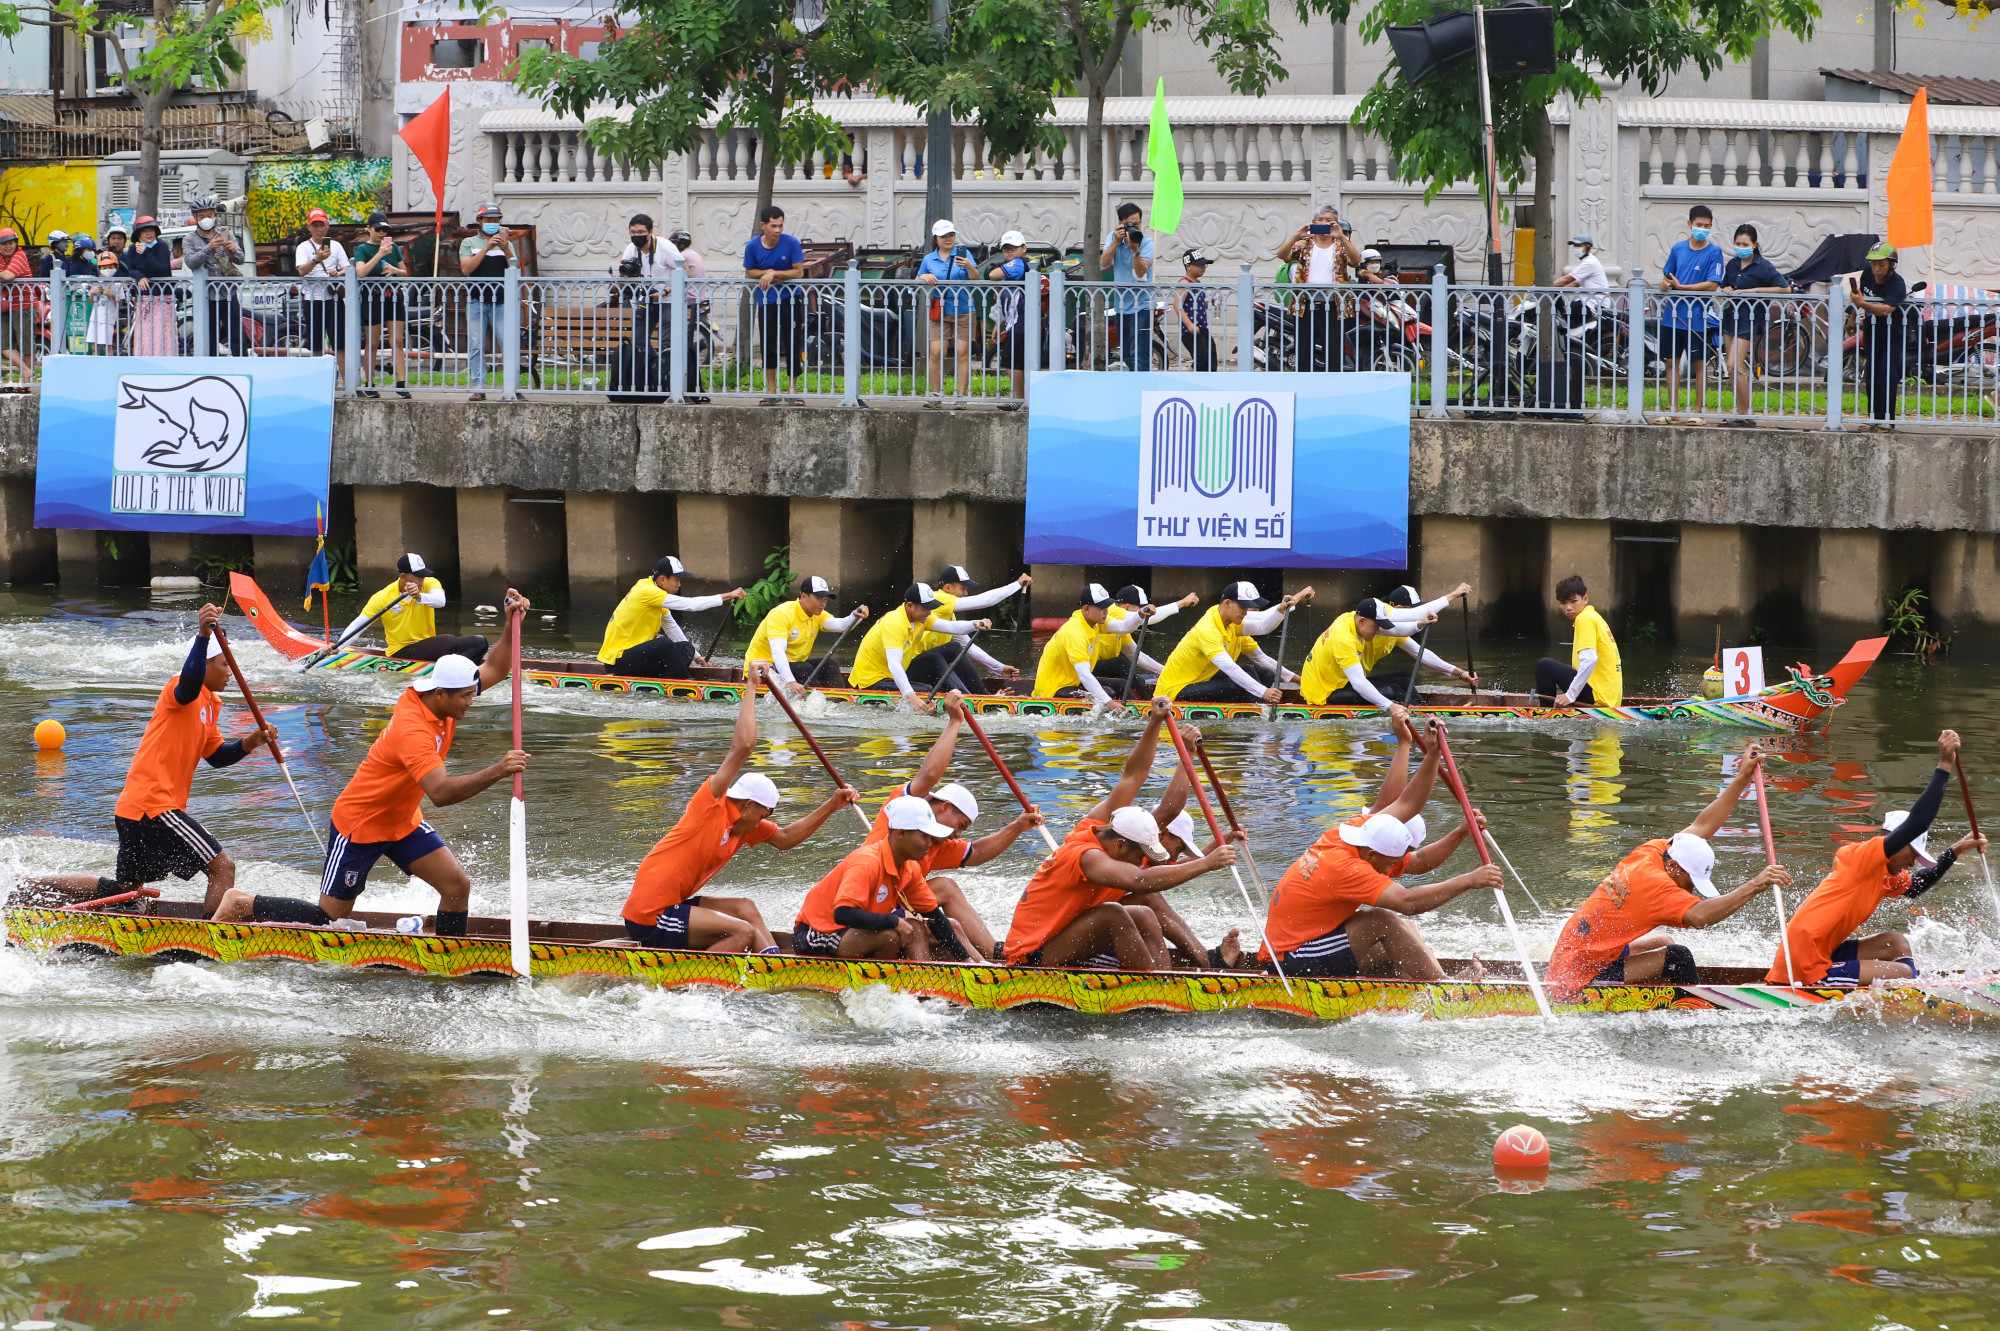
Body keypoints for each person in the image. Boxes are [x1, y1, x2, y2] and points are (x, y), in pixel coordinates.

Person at [211, 590, 531, 933]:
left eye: (472, 693)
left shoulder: (446, 696)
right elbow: (440, 792)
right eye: (467, 696)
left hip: (402, 820)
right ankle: (241, 902)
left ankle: (451, 954)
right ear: (441, 694)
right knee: (329, 921)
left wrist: (514, 622)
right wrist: (499, 769)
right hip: (360, 825)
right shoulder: (414, 730)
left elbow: (497, 666)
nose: (472, 700)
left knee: (456, 886)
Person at [18, 605, 275, 914]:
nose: (231, 671)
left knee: (128, 893)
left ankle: (35, 887)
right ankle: (212, 940)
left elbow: (217, 756)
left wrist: (250, 742)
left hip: (136, 808)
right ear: (205, 665)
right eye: (225, 664)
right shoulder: (180, 688)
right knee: (223, 868)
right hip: (154, 806)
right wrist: (204, 634)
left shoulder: (211, 703)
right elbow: (190, 682)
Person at [621, 669, 858, 952]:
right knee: (742, 932)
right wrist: (751, 686)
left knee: (745, 908)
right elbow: (742, 747)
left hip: (675, 905)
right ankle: (696, 986)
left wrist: (832, 805)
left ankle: (775, 963)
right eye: (766, 813)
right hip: (651, 915)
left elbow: (785, 839)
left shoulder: (744, 827)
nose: (766, 820)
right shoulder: (709, 807)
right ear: (749, 805)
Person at [1000, 700, 1238, 969]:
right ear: (1122, 844)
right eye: (1141, 856)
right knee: (1114, 912)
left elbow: (1133, 776)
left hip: (1069, 931)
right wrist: (1207, 863)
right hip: (1032, 955)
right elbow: (1139, 878)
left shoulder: (1109, 827)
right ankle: (1153, 986)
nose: (1143, 861)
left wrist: (1155, 723)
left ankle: (1171, 976)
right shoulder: (1088, 856)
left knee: (1145, 907)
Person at [1542, 743, 1793, 998]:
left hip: (1573, 956)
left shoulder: (1653, 851)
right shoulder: (1657, 888)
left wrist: (1742, 777)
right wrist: (1756, 885)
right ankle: (1695, 1009)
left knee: (1663, 943)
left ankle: (1644, 1001)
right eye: (1690, 880)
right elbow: (1701, 917)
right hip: (1578, 978)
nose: (1690, 888)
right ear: (1674, 866)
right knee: (1678, 957)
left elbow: (1702, 826)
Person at [1261, 723, 1501, 980]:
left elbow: (1407, 809)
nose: (1392, 869)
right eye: (1390, 864)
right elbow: (1409, 902)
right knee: (1382, 920)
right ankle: (1446, 990)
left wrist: (1433, 755)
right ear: (1373, 856)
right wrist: (1469, 880)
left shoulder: (1356, 832)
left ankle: (1424, 982)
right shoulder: (1347, 867)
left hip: (1316, 939)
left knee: (1402, 931)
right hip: (1291, 957)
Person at [818, 697, 1045, 960]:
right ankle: (966, 970)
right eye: (960, 825)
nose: (959, 834)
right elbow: (928, 775)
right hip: (861, 909)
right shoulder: (906, 810)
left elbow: (977, 853)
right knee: (944, 925)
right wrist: (954, 721)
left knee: (945, 888)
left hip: (894, 904)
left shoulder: (937, 842)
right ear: (944, 807)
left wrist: (1017, 827)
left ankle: (993, 953)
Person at [1770, 729, 1984, 987]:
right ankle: (1907, 988)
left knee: (1894, 942)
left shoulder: (1885, 874)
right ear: (1898, 842)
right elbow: (1917, 823)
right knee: (1902, 973)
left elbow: (1917, 886)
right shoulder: (1861, 856)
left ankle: (1909, 989)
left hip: (1822, 952)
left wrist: (1955, 851)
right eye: (1913, 854)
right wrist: (1944, 764)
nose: (1912, 862)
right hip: (1802, 968)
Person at [793, 795, 970, 959]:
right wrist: (893, 921)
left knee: (915, 927)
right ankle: (882, 985)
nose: (930, 843)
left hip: (854, 932)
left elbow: (936, 918)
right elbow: (843, 914)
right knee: (891, 935)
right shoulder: (867, 862)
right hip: (817, 932)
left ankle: (924, 987)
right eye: (924, 836)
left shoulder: (910, 867)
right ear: (901, 833)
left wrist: (966, 960)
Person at [1299, 588, 1477, 708]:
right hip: (1324, 692)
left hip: (1342, 681)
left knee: (1405, 679)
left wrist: (1460, 673)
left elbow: (1418, 650)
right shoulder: (1343, 639)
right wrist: (1391, 708)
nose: (1380, 630)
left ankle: (1425, 711)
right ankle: (1423, 715)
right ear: (1362, 621)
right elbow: (1359, 683)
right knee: (1394, 691)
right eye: (1377, 626)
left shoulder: (1369, 618)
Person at [1153, 581, 1306, 705]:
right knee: (1233, 685)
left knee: (1265, 673)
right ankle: (1257, 711)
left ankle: (1255, 708)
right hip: (1174, 692)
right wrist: (1263, 692)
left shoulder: (1233, 622)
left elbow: (1262, 627)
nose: (1246, 612)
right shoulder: (1208, 630)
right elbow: (1230, 668)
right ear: (1227, 603)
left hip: (1203, 679)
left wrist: (1280, 610)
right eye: (1242, 607)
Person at [597, 555, 748, 679]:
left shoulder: (654, 591)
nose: (679, 585)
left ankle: (670, 684)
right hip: (618, 662)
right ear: (662, 579)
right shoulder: (647, 591)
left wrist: (697, 656)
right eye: (677, 580)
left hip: (635, 659)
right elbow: (692, 605)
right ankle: (687, 685)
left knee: (686, 647)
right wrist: (728, 595)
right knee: (664, 644)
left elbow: (671, 627)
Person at [846, 583, 989, 711]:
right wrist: (912, 697)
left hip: (896, 673)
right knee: (927, 689)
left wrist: (974, 624)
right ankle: (968, 702)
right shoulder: (894, 623)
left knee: (952, 648)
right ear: (909, 605)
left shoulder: (922, 617)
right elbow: (894, 664)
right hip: (872, 681)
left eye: (931, 608)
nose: (928, 612)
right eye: (925, 608)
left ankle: (982, 696)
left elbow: (949, 626)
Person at [344, 553, 489, 663]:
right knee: (449, 641)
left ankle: (463, 671)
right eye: (418, 577)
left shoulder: (429, 583)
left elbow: (440, 601)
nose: (421, 581)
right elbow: (358, 626)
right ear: (403, 576)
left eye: (423, 576)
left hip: (427, 646)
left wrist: (420, 597)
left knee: (479, 642)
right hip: (400, 651)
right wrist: (338, 648)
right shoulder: (382, 597)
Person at [745, 574, 871, 697]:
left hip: (793, 666)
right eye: (819, 598)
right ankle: (816, 703)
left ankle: (839, 700)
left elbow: (841, 626)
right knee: (804, 668)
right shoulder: (781, 614)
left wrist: (855, 616)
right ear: (804, 596)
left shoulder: (818, 615)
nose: (823, 604)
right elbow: (778, 652)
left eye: (825, 599)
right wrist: (791, 682)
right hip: (762, 668)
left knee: (831, 664)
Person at [1656, 204, 1725, 425]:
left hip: (1698, 318)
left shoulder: (1714, 252)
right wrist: (1666, 285)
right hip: (1672, 316)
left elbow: (1712, 285)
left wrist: (1682, 287)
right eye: (1698, 225)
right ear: (1689, 225)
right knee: (1671, 363)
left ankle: (1698, 411)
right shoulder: (1678, 249)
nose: (1702, 229)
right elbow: (1668, 276)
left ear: (1711, 227)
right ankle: (1673, 410)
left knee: (1699, 364)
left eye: (1706, 226)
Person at [1717, 224, 1789, 426]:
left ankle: (1746, 414)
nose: (1741, 247)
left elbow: (1784, 288)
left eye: (1745, 244)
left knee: (1734, 365)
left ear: (1754, 245)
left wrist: (1756, 290)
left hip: (1749, 318)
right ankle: (1739, 412)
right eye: (1738, 243)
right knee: (1731, 369)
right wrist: (1727, 288)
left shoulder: (1763, 266)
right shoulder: (1732, 264)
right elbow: (1724, 284)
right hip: (1731, 315)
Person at [1277, 205, 1364, 371]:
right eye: (1320, 220)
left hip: (1333, 306)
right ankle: (1306, 387)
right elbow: (1282, 255)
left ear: (1336, 224)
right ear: (1314, 223)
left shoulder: (1340, 245)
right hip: (1305, 305)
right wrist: (1297, 235)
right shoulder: (1304, 244)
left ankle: (1331, 388)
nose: (1324, 223)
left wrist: (1342, 237)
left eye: (1329, 220)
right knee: (1304, 352)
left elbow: (1355, 261)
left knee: (1333, 352)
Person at [925, 565, 1029, 694]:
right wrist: (1017, 585)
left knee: (954, 651)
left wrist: (1000, 668)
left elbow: (969, 647)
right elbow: (984, 600)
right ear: (947, 588)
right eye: (962, 589)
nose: (966, 593)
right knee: (952, 649)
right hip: (922, 666)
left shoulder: (948, 615)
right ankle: (984, 698)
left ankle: (981, 696)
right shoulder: (938, 599)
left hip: (933, 666)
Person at [743, 204, 807, 403]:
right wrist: (767, 273)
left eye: (780, 226)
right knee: (768, 343)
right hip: (766, 299)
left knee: (793, 342)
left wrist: (774, 273)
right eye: (773, 226)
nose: (778, 230)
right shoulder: (753, 246)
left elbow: (798, 271)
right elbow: (749, 272)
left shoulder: (791, 243)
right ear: (763, 225)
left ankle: (793, 389)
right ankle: (771, 389)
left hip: (791, 298)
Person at [458, 202, 516, 401]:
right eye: (488, 220)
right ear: (480, 221)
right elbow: (466, 269)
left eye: (496, 220)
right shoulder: (469, 243)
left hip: (501, 301)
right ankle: (479, 387)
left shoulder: (506, 242)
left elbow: (516, 270)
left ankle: (511, 387)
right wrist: (487, 248)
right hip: (477, 300)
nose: (492, 223)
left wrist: (505, 248)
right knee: (476, 344)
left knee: (506, 343)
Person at [1093, 585, 1199, 695]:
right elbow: (1148, 619)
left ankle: (1146, 701)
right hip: (1087, 668)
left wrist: (1167, 671)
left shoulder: (1122, 628)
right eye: (1143, 609)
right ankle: (1147, 705)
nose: (1145, 612)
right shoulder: (1113, 610)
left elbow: (1137, 656)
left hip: (1099, 670)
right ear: (1127, 607)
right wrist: (1182, 603)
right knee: (1120, 663)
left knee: (1138, 679)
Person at [917, 218, 979, 405]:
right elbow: (917, 277)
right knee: (936, 352)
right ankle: (936, 395)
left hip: (964, 309)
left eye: (951, 235)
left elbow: (976, 279)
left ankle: (961, 396)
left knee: (962, 353)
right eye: (944, 236)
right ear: (936, 238)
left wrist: (969, 266)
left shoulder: (963, 253)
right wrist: (924, 276)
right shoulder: (929, 259)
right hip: (940, 310)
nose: (948, 239)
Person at [1535, 574, 1622, 707]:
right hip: (1610, 697)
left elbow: (1590, 659)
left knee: (1544, 666)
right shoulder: (1594, 616)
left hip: (1598, 699)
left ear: (1585, 599)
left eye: (1573, 601)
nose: (1568, 607)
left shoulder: (1584, 619)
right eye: (1563, 603)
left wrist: (1570, 695)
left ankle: (1545, 712)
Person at [1852, 241, 1909, 432]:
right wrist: (1853, 317)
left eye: (1881, 265)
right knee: (1872, 375)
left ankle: (1887, 421)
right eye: (1873, 264)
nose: (1876, 269)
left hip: (1892, 335)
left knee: (1887, 374)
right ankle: (1873, 419)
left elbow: (1885, 309)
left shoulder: (1897, 284)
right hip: (1872, 332)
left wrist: (1861, 304)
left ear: (1891, 265)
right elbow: (1859, 296)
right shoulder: (1867, 274)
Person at [182, 195, 247, 357]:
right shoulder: (189, 239)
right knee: (209, 334)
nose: (206, 219)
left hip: (228, 292)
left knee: (236, 332)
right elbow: (191, 262)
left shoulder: (225, 233)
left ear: (214, 215)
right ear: (195, 217)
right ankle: (210, 368)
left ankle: (243, 364)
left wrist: (233, 249)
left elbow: (241, 259)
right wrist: (209, 247)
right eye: (202, 216)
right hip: (206, 296)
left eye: (209, 215)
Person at [353, 214, 410, 397]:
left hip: (393, 296)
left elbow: (406, 273)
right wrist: (379, 255)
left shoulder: (393, 247)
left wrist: (395, 270)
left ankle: (401, 383)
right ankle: (369, 382)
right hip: (372, 297)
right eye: (378, 229)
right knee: (373, 342)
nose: (381, 233)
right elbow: (361, 272)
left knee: (398, 340)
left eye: (385, 230)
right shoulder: (362, 249)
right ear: (369, 228)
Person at [1034, 583, 1119, 701]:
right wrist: (1109, 702)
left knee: (1121, 685)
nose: (1106, 612)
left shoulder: (1093, 623)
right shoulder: (1075, 633)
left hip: (1073, 683)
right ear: (1086, 608)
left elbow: (1124, 626)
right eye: (1101, 608)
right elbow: (1084, 675)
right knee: (1108, 693)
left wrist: (1140, 615)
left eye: (1107, 607)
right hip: (1053, 690)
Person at [295, 208, 349, 384]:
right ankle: (320, 383)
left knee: (340, 342)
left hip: (333, 297)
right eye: (315, 225)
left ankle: (348, 382)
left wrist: (338, 273)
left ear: (328, 225)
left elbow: (347, 267)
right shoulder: (303, 247)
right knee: (316, 341)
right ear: (309, 227)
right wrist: (316, 259)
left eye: (322, 225)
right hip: (312, 298)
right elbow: (302, 271)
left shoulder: (336, 246)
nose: (319, 229)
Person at [1100, 202, 1155, 370]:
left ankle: (1142, 387)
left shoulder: (1146, 242)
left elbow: (1140, 273)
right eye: (1131, 224)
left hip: (1142, 305)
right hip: (1121, 305)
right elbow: (1104, 262)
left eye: (1137, 223)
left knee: (1139, 353)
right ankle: (1134, 385)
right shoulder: (1113, 238)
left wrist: (1134, 250)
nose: (1135, 227)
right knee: (1126, 353)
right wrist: (1116, 241)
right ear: (1121, 224)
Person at [985, 229, 1032, 408]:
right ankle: (1021, 399)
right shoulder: (1012, 267)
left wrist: (998, 268)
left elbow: (991, 275)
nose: (1009, 252)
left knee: (1013, 362)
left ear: (1023, 248)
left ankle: (1020, 401)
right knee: (1012, 361)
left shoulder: (1018, 264)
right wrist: (999, 323)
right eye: (1006, 249)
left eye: (1013, 248)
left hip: (1022, 323)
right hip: (1014, 323)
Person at [0, 228, 38, 378]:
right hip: (6, 306)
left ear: (16, 243)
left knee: (26, 347)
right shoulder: (2, 257)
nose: (7, 246)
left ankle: (29, 381)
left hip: (25, 306)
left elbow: (8, 276)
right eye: (3, 244)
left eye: (10, 243)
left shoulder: (20, 255)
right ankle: (27, 371)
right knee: (4, 346)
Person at [1176, 249, 1218, 371]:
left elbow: (1200, 303)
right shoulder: (1185, 283)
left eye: (1204, 265)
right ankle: (1185, 385)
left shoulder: (1197, 283)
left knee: (1210, 358)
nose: (1203, 268)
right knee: (1201, 359)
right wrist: (1189, 324)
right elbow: (1177, 305)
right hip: (1191, 329)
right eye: (1199, 265)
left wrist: (1212, 301)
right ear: (1188, 266)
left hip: (1202, 327)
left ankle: (1205, 384)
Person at [83, 247, 126, 354]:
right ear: (100, 268)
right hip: (95, 318)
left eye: (110, 267)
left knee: (108, 346)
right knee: (94, 346)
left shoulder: (118, 284)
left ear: (116, 267)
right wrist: (92, 293)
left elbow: (120, 304)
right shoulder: (97, 282)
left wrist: (112, 295)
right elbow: (91, 301)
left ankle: (109, 368)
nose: (107, 269)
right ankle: (95, 367)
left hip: (108, 320)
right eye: (104, 267)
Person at [1553, 234, 1609, 302]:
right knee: (1567, 307)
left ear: (1588, 246)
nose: (1576, 248)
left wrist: (1548, 287)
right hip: (1588, 300)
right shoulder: (1586, 261)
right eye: (1574, 246)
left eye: (1579, 245)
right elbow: (1574, 284)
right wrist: (1560, 290)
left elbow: (1568, 279)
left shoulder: (1590, 262)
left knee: (1571, 308)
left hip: (1596, 302)